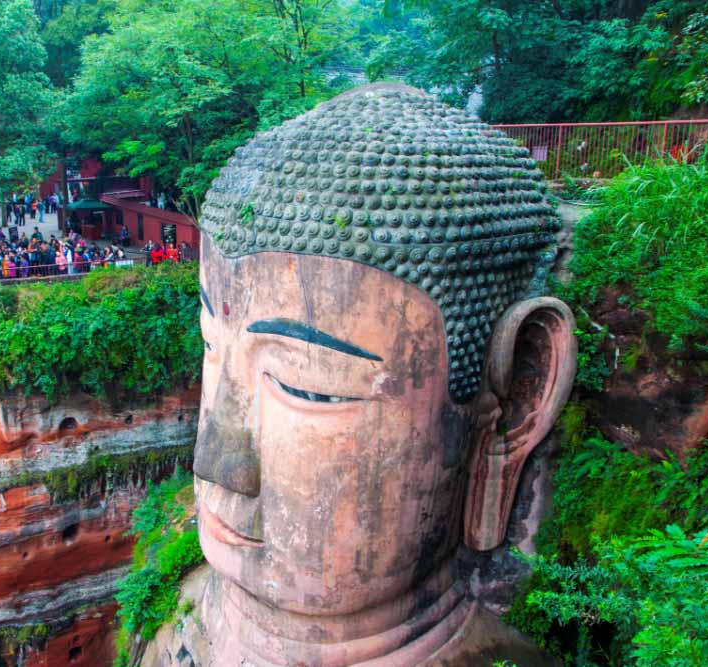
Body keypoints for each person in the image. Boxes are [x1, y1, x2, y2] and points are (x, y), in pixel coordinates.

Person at [142, 84, 575, 667]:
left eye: (306, 385)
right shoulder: (176, 617)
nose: (214, 463)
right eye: (208, 347)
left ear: (520, 398)